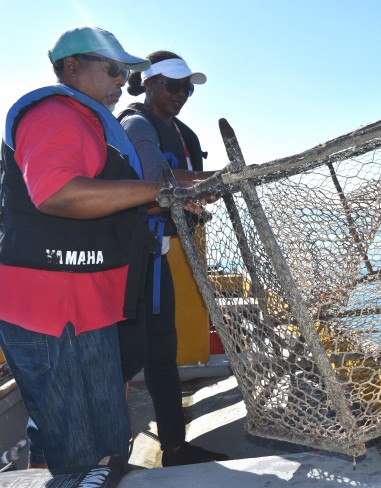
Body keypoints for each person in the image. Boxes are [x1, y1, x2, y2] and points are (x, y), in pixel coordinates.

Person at [0, 27, 195, 473]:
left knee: (105, 437)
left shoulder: (93, 123)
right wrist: (158, 191)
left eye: (126, 72)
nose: (121, 81)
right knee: (75, 450)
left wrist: (172, 193)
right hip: (48, 307)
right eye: (113, 69)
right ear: (71, 66)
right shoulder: (54, 114)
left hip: (90, 303)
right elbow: (59, 194)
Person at [117, 51, 229, 467]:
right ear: (148, 83)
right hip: (129, 261)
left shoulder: (178, 132)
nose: (182, 94)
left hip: (157, 256)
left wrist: (200, 194)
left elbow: (180, 190)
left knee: (164, 353)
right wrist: (214, 179)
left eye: (188, 87)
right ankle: (109, 454)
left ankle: (175, 448)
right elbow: (152, 180)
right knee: (124, 358)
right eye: (173, 85)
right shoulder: (136, 124)